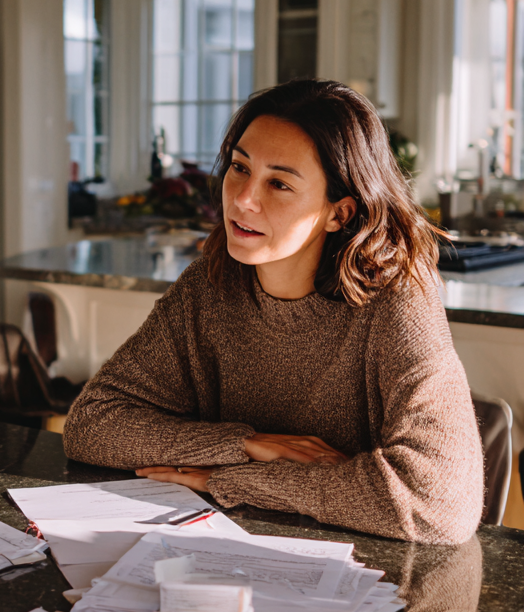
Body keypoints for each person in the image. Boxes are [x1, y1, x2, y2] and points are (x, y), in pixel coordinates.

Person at [62, 79, 484, 544]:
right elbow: (92, 423)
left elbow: (440, 504)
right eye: (240, 167)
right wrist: (244, 444)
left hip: (360, 580)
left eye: (279, 183)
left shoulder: (398, 298)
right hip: (225, 554)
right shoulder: (208, 285)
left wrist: (234, 480)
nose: (243, 198)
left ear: (338, 214)